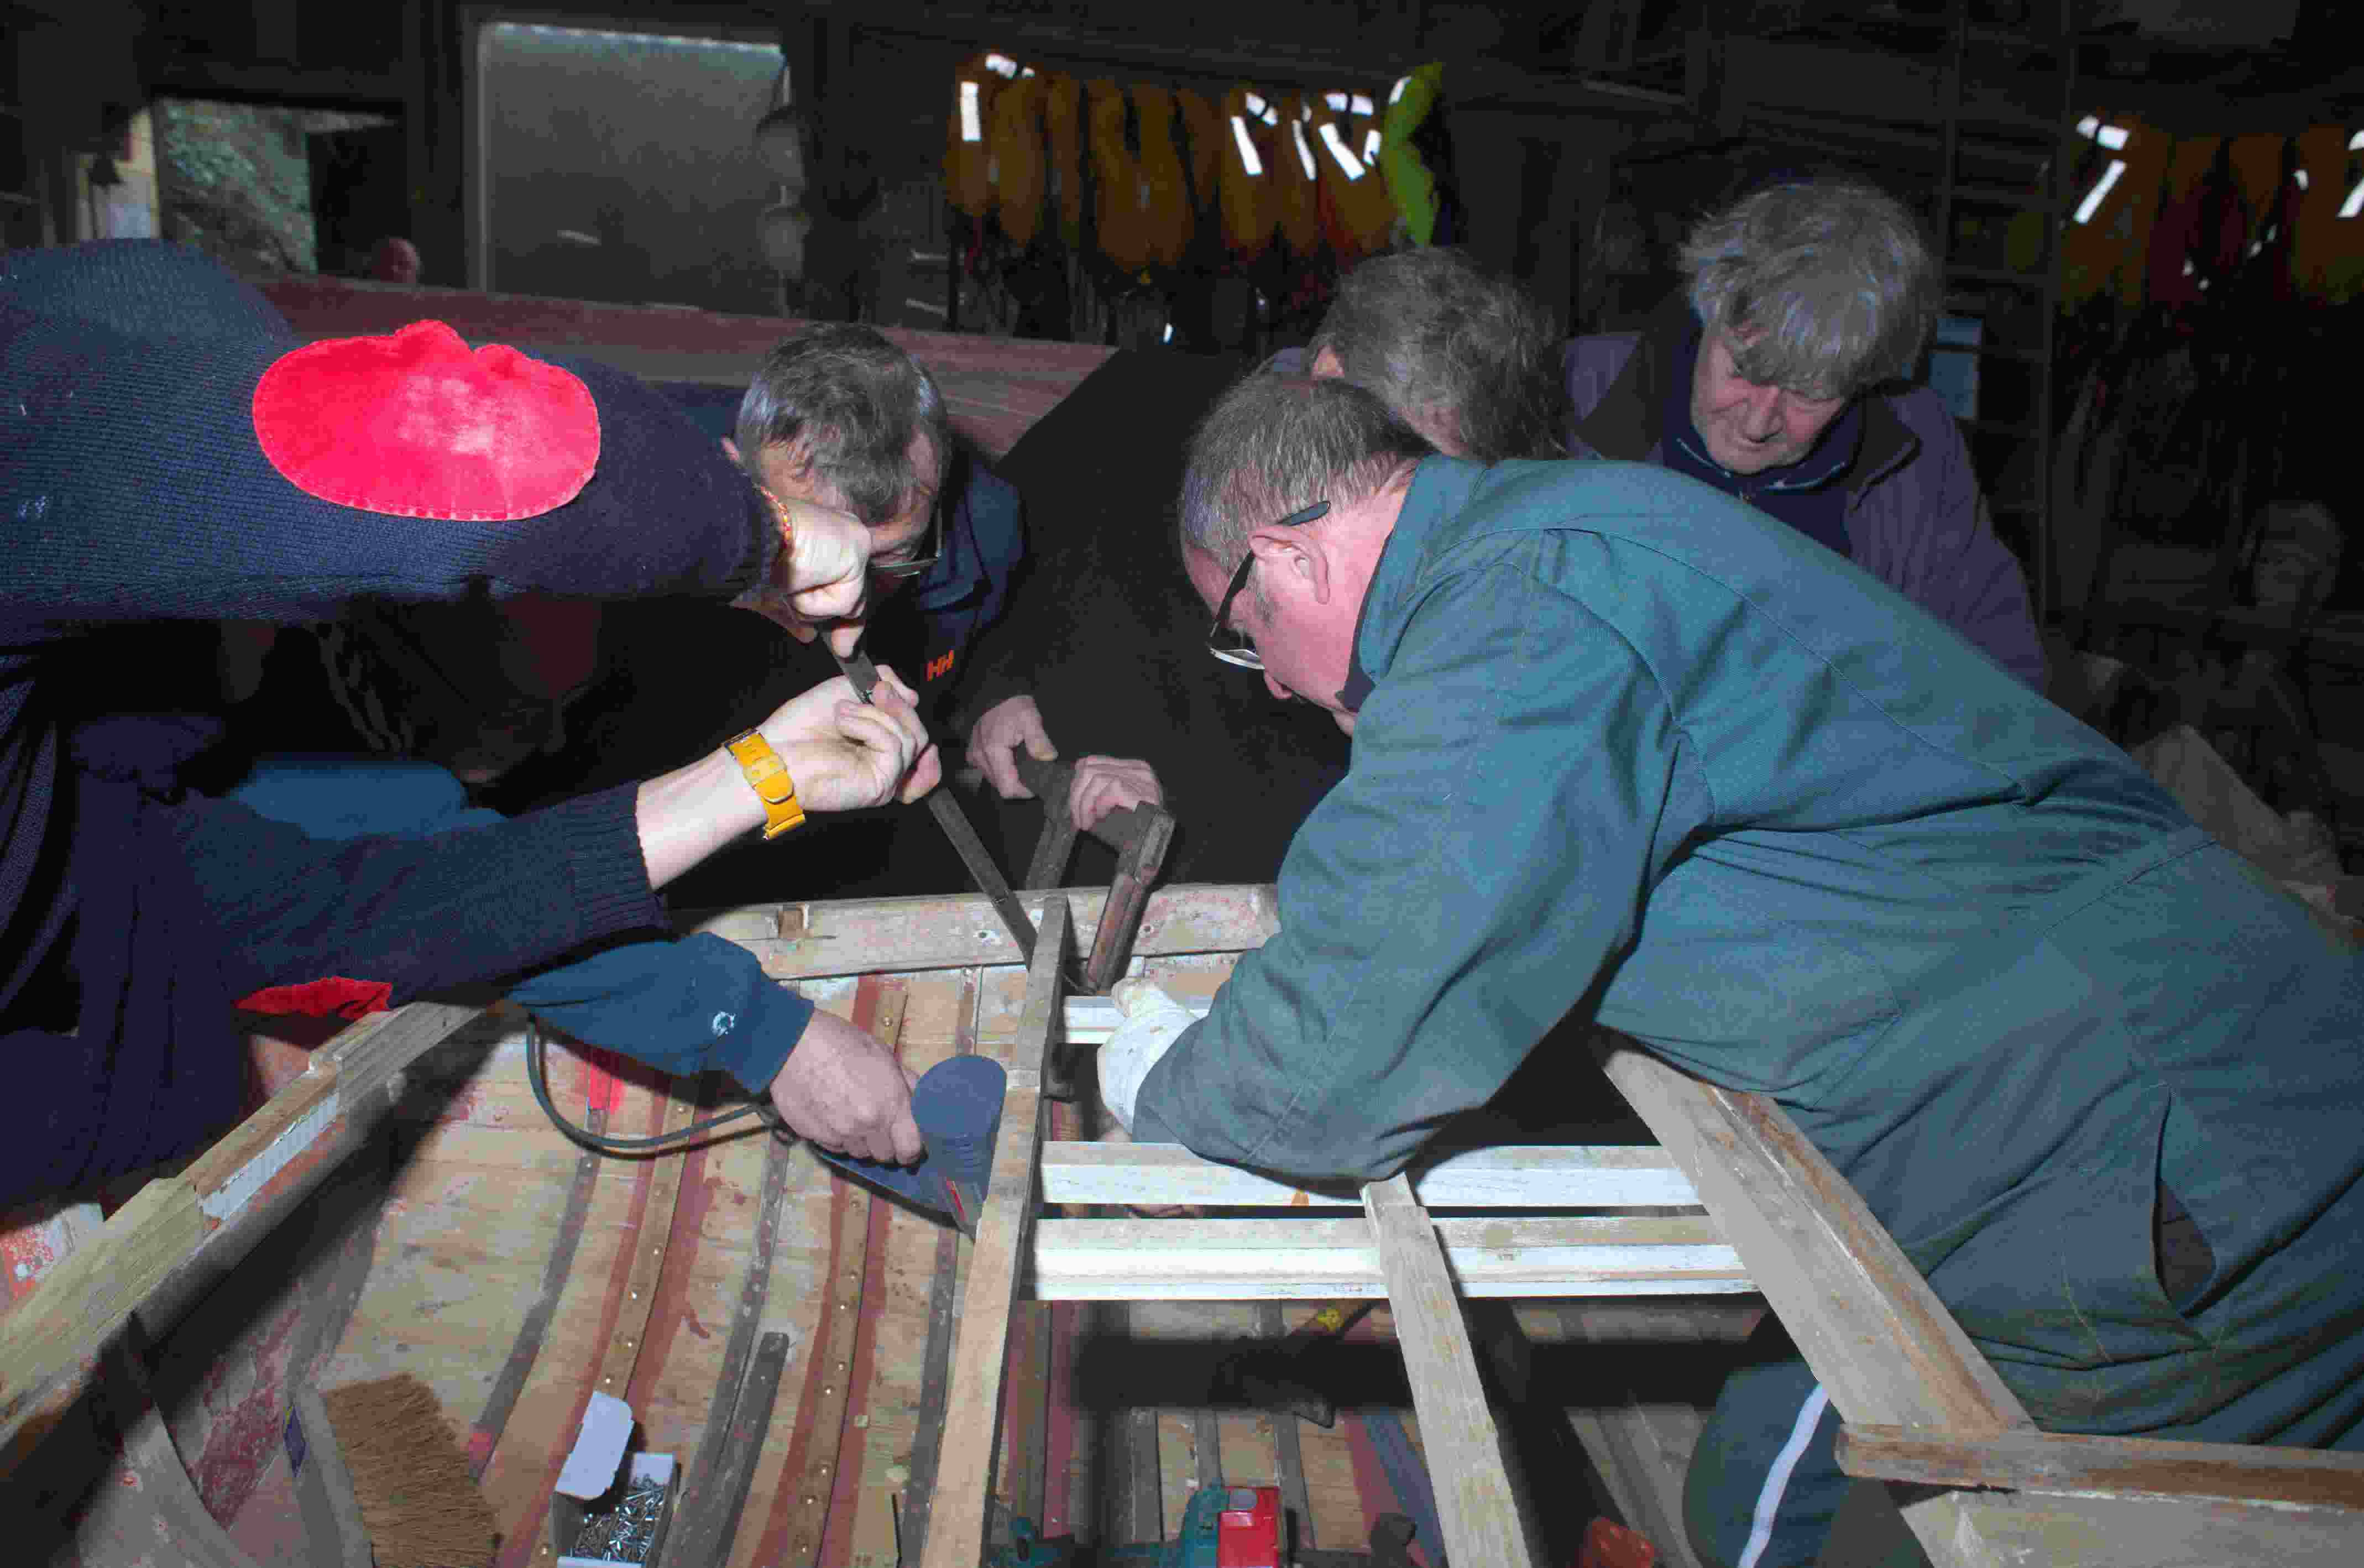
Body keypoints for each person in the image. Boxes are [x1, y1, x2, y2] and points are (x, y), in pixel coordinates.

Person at [1099, 373, 2364, 1568]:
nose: (1271, 680)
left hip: (2158, 1163)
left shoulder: (1518, 608)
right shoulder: (1553, 532)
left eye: (1247, 636)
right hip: (2171, 1087)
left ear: (1288, 557)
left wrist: (1167, 1081)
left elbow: (1347, 1036)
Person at [0, 241, 944, 1209]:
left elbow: (379, 910)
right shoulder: (256, 732)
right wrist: (760, 539)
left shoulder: (105, 822)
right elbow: (464, 454)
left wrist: (762, 777)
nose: (275, 618)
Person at [961, 247, 1566, 875]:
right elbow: (968, 544)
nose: (1419, 507)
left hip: (1256, 882)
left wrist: (1180, 812)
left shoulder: (1496, 546)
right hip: (1049, 840)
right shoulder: (1138, 401)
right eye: (1404, 466)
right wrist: (993, 685)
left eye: (1439, 480)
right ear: (1329, 377)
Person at [1563, 178, 2049, 691]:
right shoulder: (1569, 393)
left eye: (1810, 395)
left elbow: (2002, 683)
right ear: (1708, 307)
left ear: (1866, 379)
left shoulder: (1918, 448)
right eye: (1744, 371)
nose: (1758, 425)